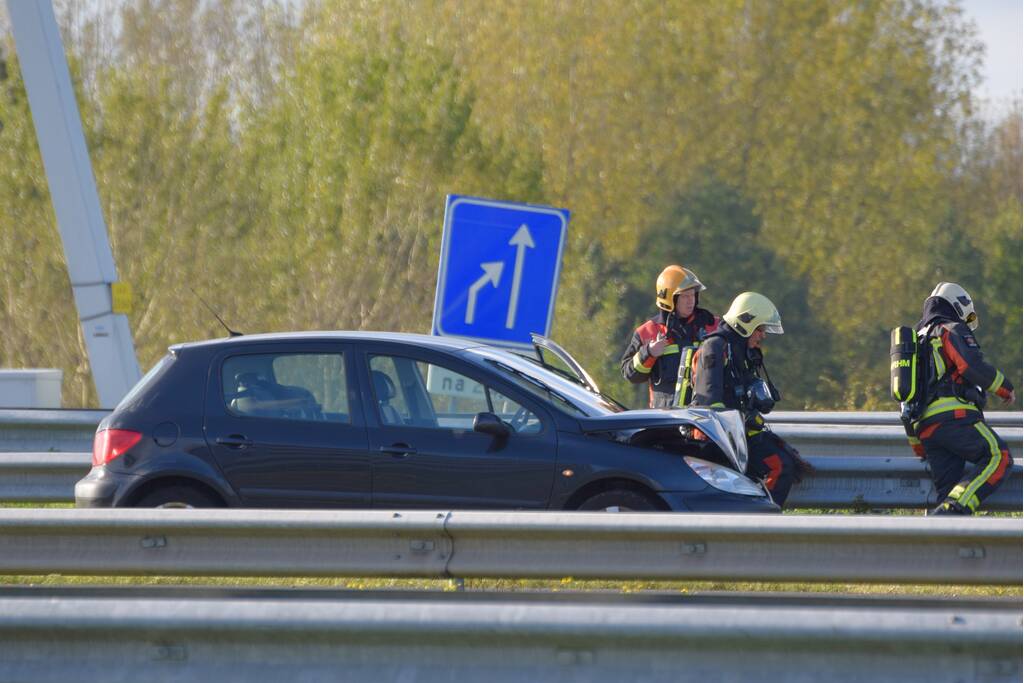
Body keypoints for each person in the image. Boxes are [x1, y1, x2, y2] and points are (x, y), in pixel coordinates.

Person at [689, 291, 810, 506]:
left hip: (740, 433)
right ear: (746, 323)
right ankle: (759, 522)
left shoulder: (743, 349)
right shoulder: (715, 348)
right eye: (760, 328)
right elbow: (709, 404)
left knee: (783, 463)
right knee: (778, 466)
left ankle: (759, 520)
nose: (763, 335)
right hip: (717, 440)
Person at [907, 282, 1015, 516]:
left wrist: (916, 442)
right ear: (959, 304)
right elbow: (970, 365)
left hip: (926, 430)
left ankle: (944, 528)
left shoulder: (916, 340)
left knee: (948, 491)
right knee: (999, 456)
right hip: (954, 419)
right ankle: (953, 510)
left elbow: (904, 396)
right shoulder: (950, 327)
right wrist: (1005, 388)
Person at [620, 265, 718, 409]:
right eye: (685, 296)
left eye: (692, 295)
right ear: (669, 298)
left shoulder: (712, 325)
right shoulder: (648, 331)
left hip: (703, 416)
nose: (690, 300)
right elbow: (629, 373)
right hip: (665, 418)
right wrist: (649, 353)